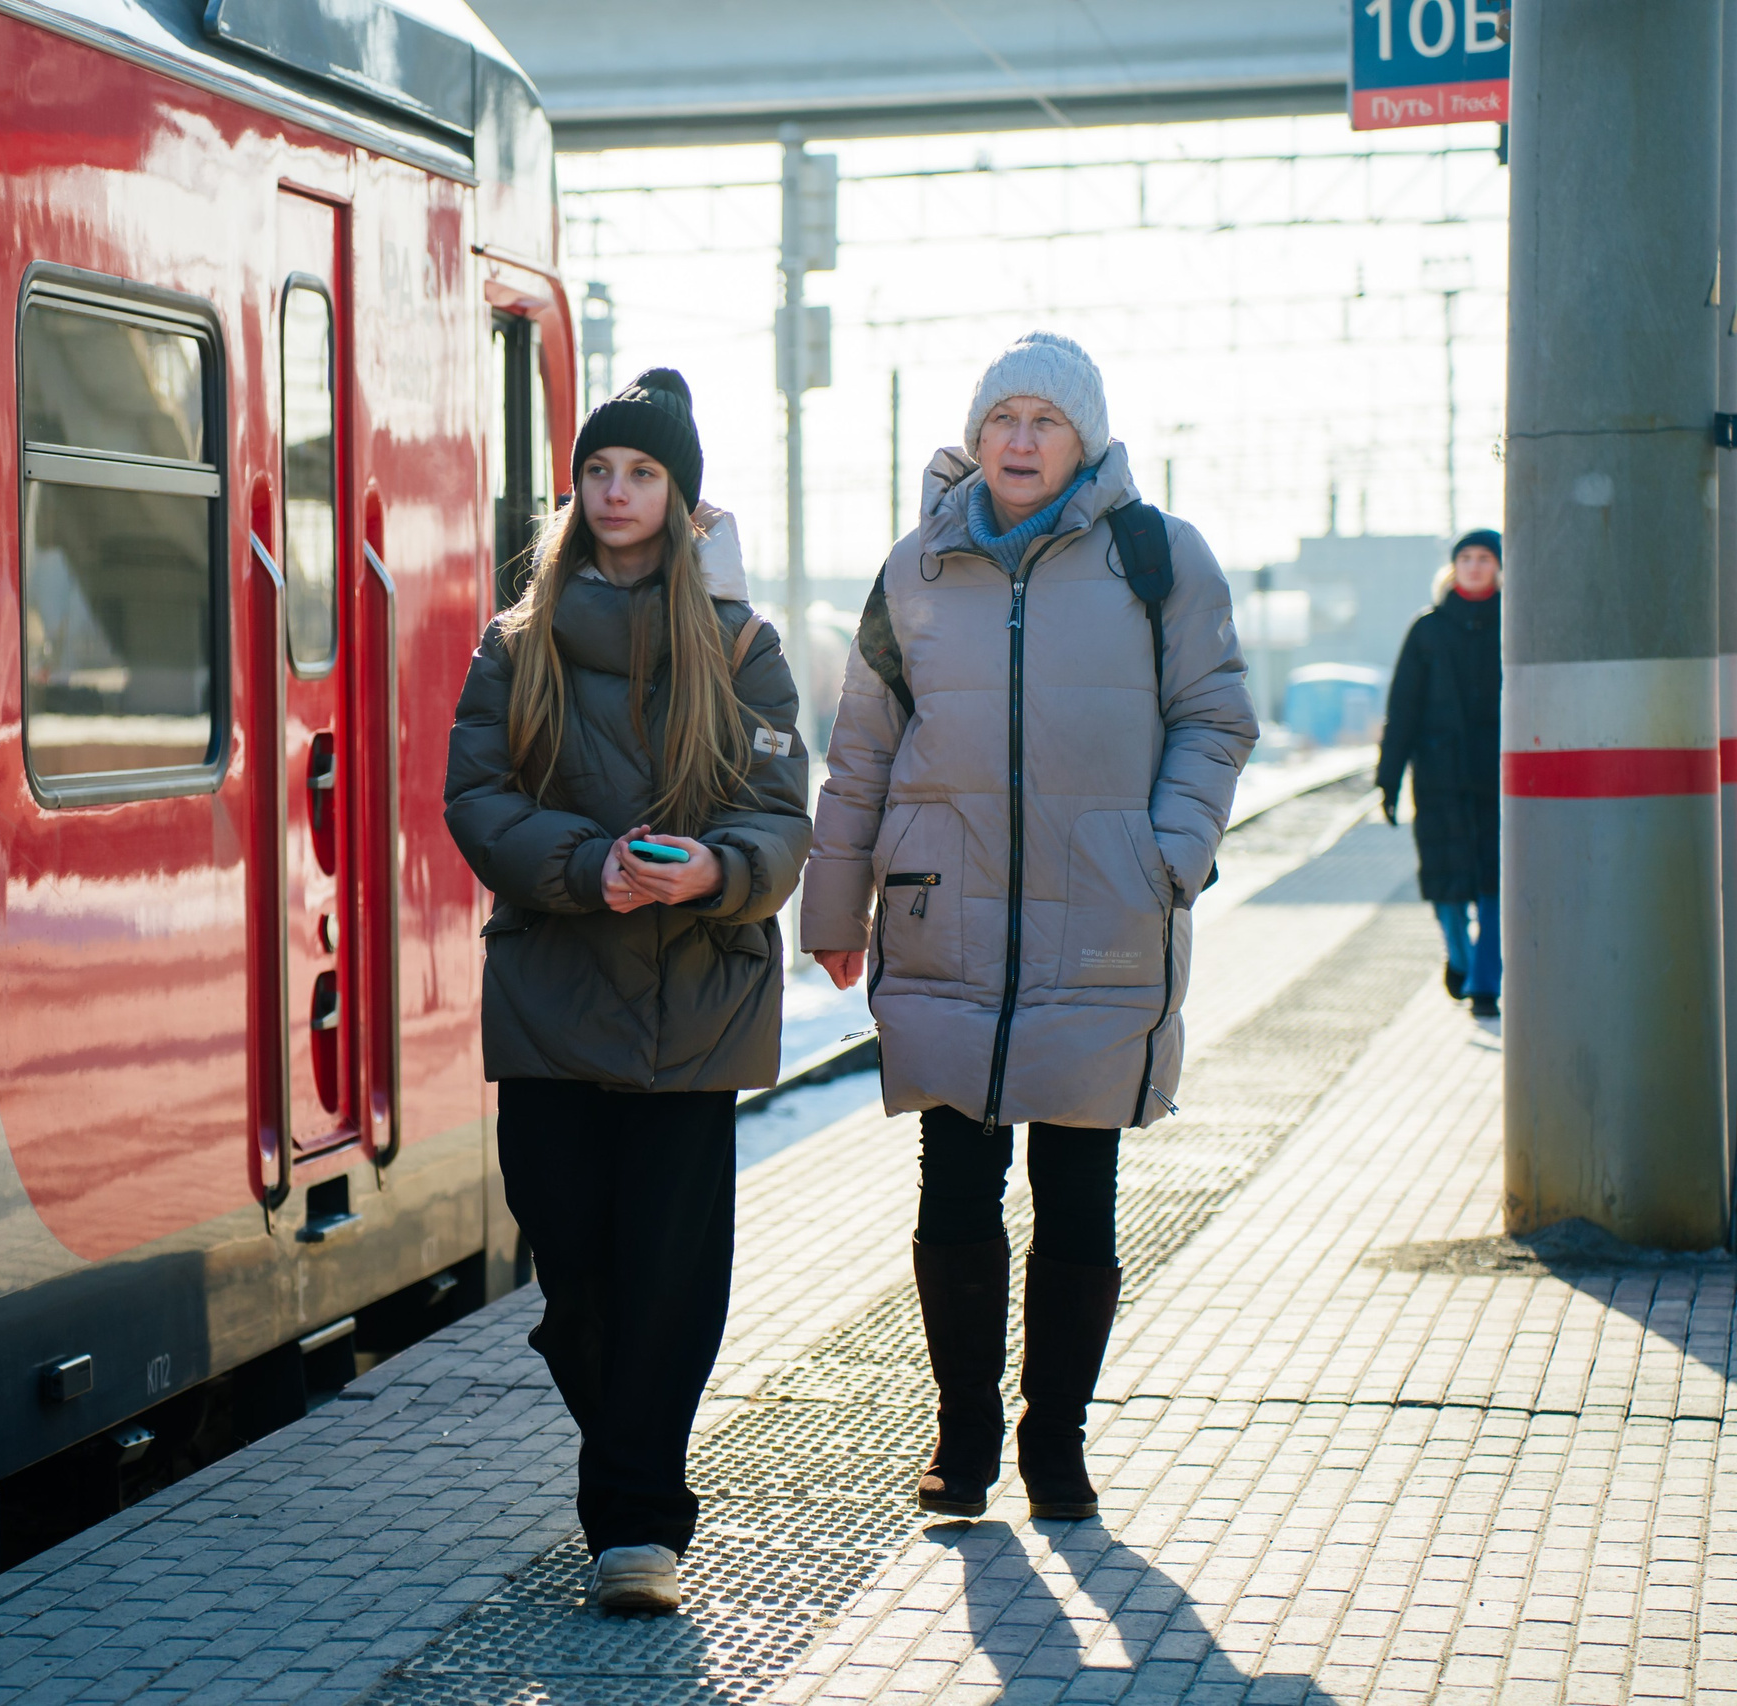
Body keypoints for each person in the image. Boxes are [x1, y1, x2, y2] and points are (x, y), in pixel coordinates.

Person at [798, 332, 1257, 1523]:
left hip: (1097, 909)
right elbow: (860, 750)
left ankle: (1054, 1438)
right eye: (1001, 416)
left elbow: (1215, 718)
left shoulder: (1159, 558)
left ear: (1084, 439)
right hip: (944, 914)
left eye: (1043, 421)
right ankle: (959, 1437)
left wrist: (1168, 852)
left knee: (1077, 1186)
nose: (1018, 439)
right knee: (952, 1182)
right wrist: (835, 902)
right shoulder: (915, 568)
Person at [444, 368, 810, 1615]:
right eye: (600, 471)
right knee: (573, 1268)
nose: (617, 492)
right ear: (576, 488)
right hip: (554, 1000)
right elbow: (476, 799)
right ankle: (630, 1457)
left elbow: (780, 814)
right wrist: (584, 866)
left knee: (669, 1277)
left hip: (694, 1006)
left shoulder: (743, 649)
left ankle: (637, 1521)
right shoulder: (515, 643)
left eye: (643, 474)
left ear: (682, 499)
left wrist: (715, 866)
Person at [1378, 529, 1503, 1020]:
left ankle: (1484, 982)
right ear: (1453, 568)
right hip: (1439, 778)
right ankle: (1461, 955)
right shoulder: (1427, 631)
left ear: (1498, 566)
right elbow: (1402, 709)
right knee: (1445, 878)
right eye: (1465, 558)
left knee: (1495, 880)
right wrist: (1389, 779)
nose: (1474, 566)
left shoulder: (1518, 624)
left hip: (1499, 780)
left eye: (1485, 557)